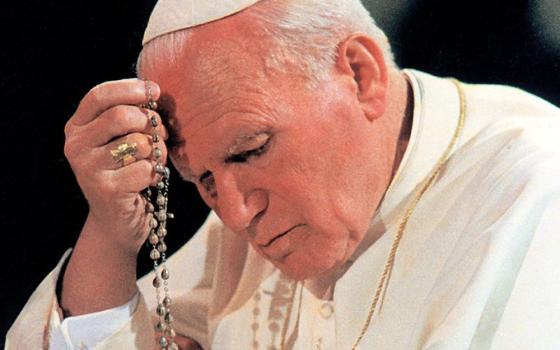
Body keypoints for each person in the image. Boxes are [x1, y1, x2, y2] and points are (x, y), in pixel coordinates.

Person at [6, 0, 560, 349]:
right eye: (203, 181)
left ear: (360, 75)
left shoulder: (533, 189)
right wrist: (108, 232)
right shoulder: (244, 226)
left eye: (250, 151)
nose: (239, 214)